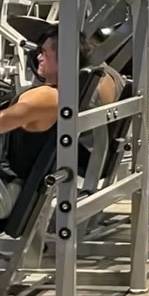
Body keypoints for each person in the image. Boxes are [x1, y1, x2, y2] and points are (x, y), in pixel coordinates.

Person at [0, 27, 119, 220]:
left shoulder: (46, 97)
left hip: (7, 192)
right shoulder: (64, 96)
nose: (39, 57)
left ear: (64, 58)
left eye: (44, 53)